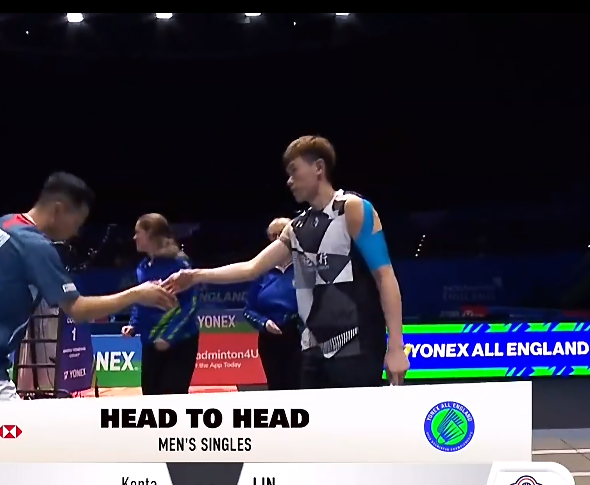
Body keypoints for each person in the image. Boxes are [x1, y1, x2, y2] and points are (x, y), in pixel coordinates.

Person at [163, 135, 409, 387]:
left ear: (318, 167)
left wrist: (396, 347)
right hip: (312, 351)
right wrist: (196, 276)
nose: (289, 181)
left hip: (357, 347)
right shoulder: (296, 228)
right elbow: (252, 268)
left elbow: (385, 276)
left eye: (294, 171)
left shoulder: (352, 209)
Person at [0, 172, 176, 403]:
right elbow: (77, 310)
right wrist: (136, 294)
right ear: (59, 210)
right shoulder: (35, 246)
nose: (76, 232)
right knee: (22, 436)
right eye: (77, 222)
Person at [121, 214, 200, 395]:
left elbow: (191, 304)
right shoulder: (143, 266)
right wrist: (133, 324)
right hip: (150, 342)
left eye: (138, 232)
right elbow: (141, 299)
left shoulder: (179, 264)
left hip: (180, 342)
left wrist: (168, 337)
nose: (134, 237)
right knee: (150, 395)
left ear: (150, 234)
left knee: (172, 398)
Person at [243, 218, 300, 390]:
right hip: (269, 338)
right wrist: (264, 323)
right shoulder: (261, 272)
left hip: (299, 337)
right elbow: (248, 310)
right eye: (273, 236)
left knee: (299, 385)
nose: (277, 239)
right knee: (276, 386)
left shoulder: (304, 267)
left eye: (281, 234)